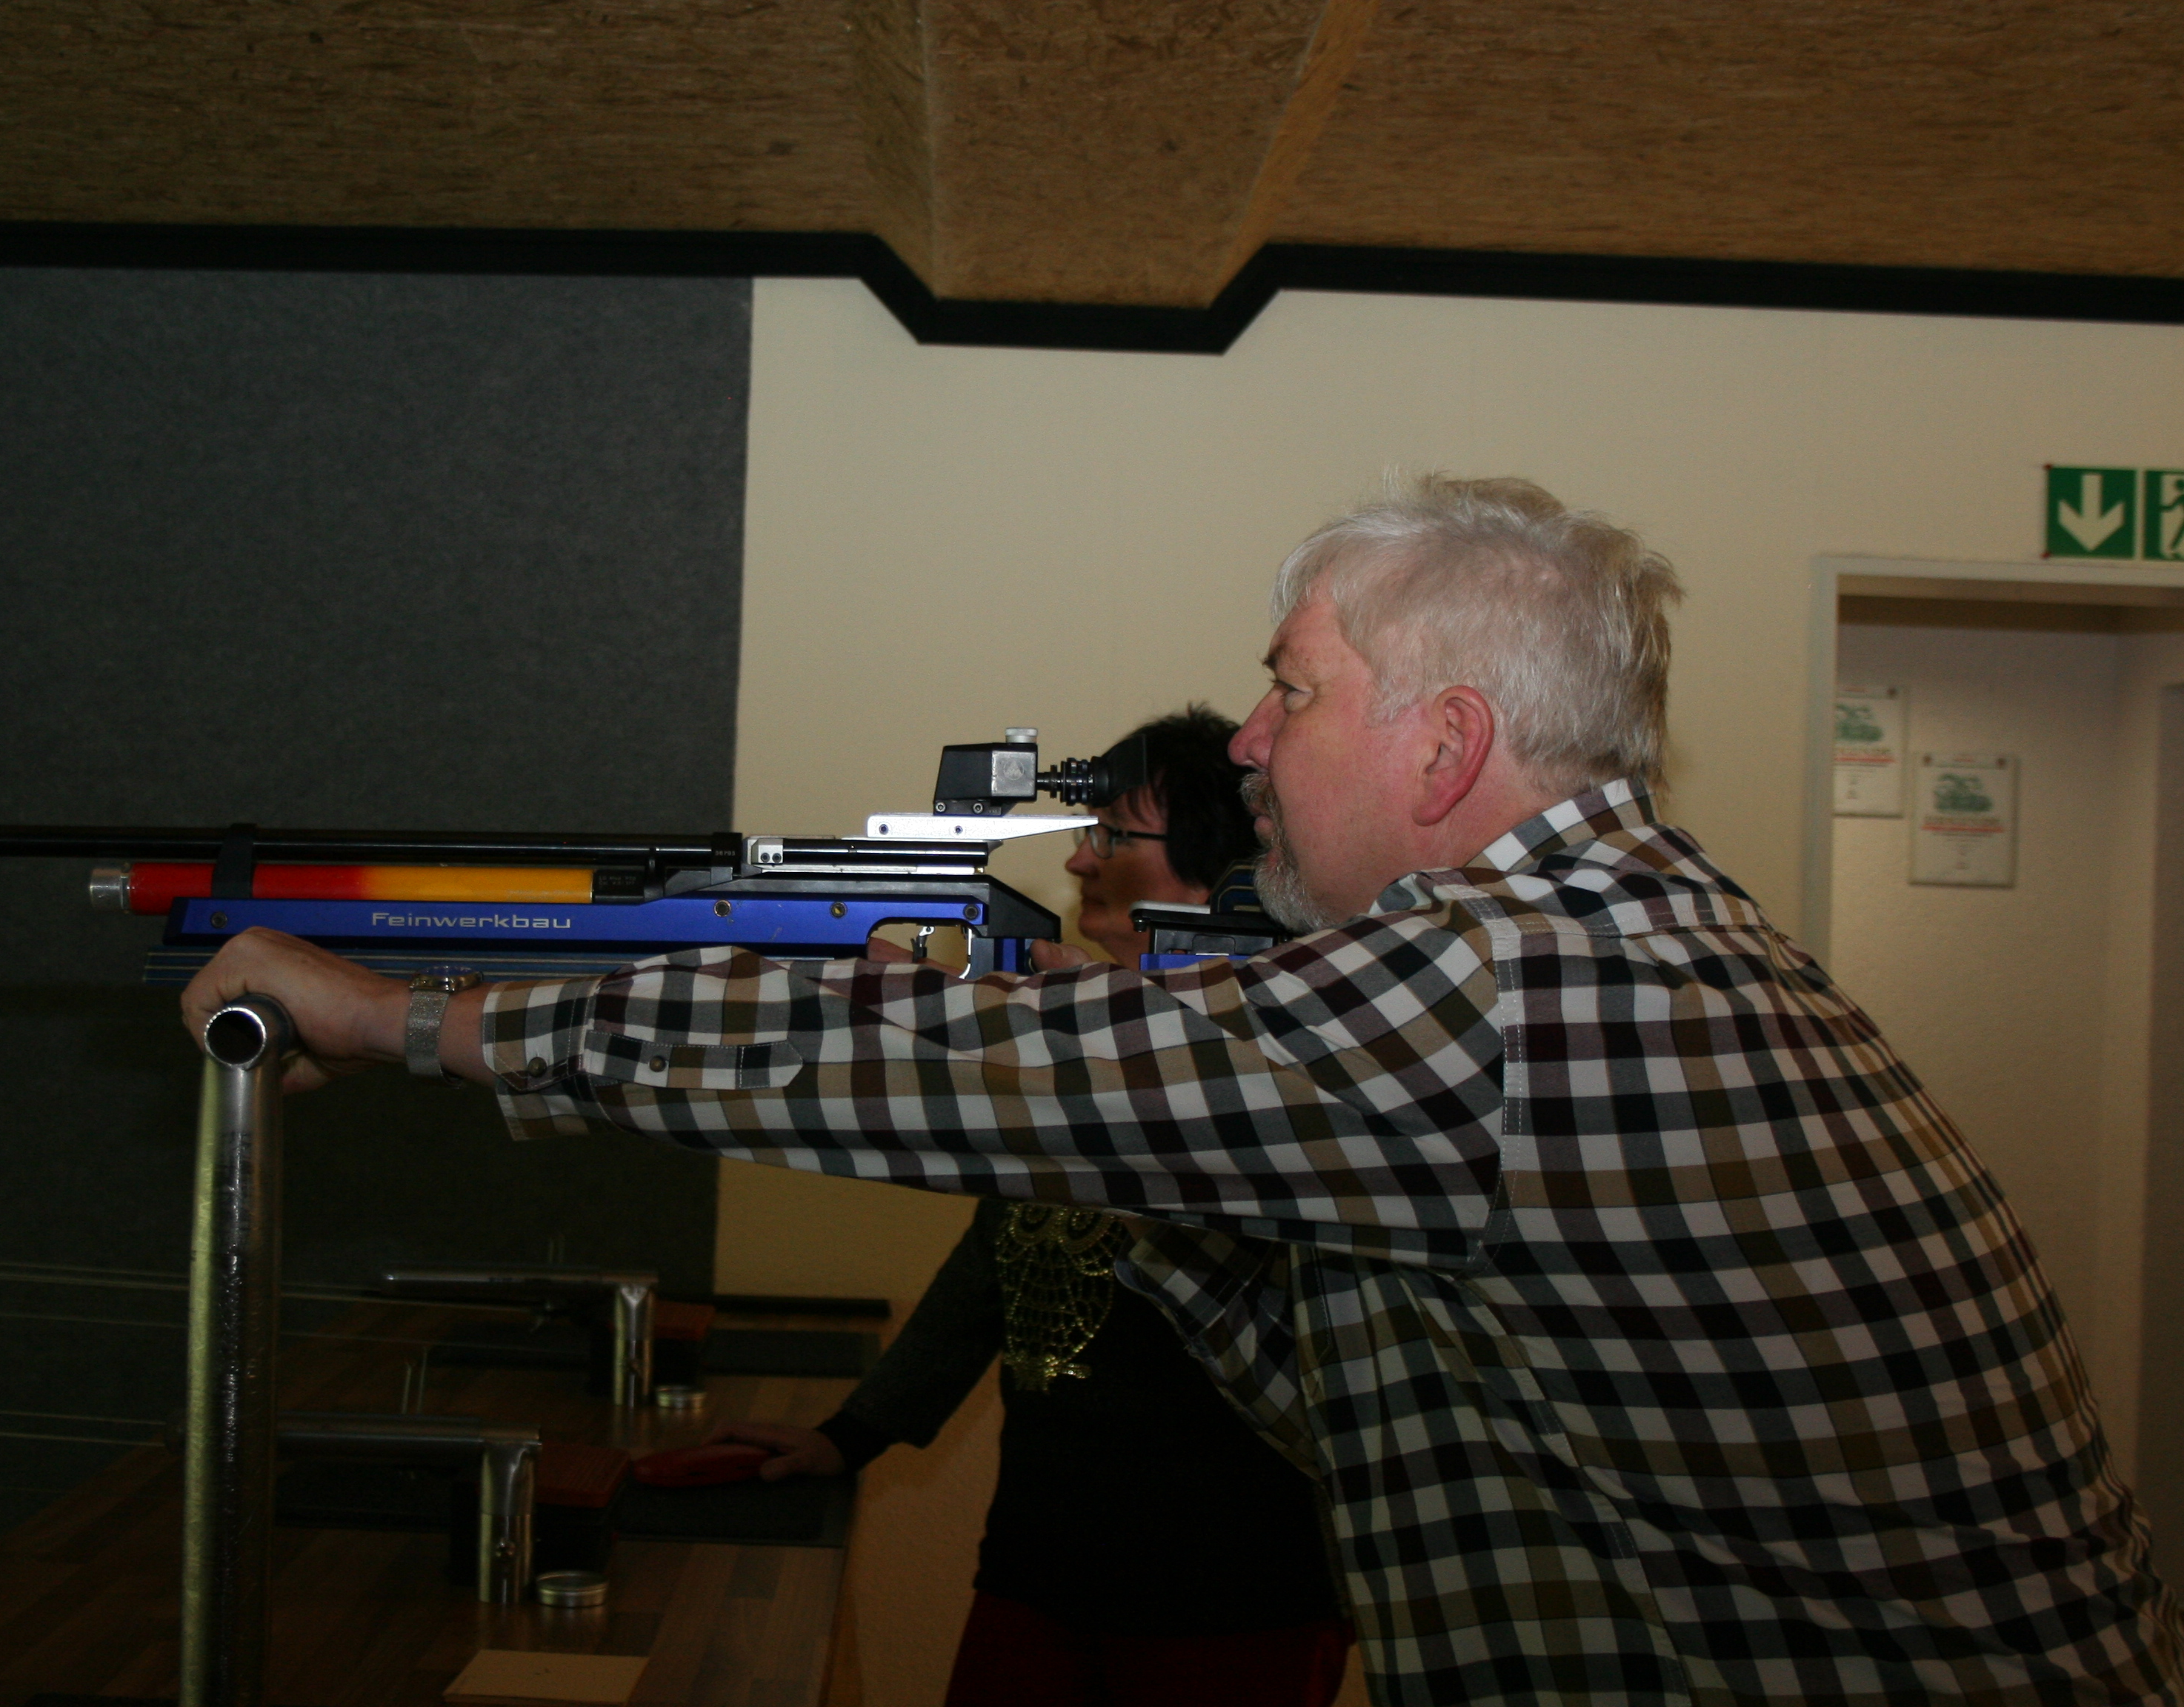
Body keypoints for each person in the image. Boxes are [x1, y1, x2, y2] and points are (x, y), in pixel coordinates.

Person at [185, 475, 2181, 1704]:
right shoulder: (1606, 951)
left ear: (1442, 744)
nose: (1248, 739)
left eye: (1294, 689)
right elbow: (1363, 1384)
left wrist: (410, 1023)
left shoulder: (1523, 984)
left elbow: (947, 1084)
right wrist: (1117, 1106)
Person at [711, 708, 1351, 1707]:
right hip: (1040, 1565)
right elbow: (1000, 1259)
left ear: (1215, 877)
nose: (1081, 861)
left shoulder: (1276, 1060)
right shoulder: (1061, 1033)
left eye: (1113, 837)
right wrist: (854, 1433)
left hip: (1236, 1595)